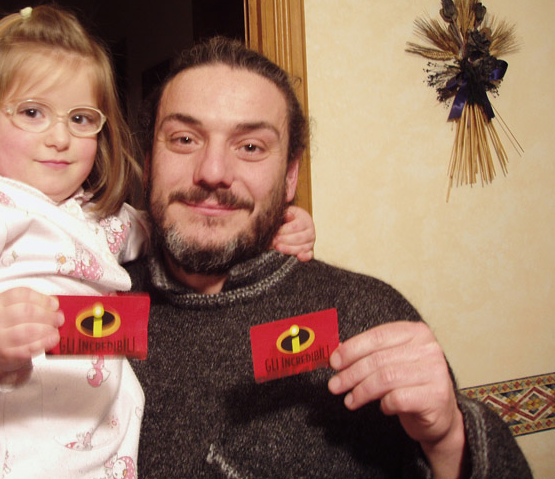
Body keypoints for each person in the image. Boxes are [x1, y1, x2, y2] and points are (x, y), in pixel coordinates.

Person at [0, 6, 315, 478]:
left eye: (81, 118)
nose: (60, 137)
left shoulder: (97, 218)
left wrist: (271, 224)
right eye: (32, 112)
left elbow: (171, 228)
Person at [127, 36, 532, 478]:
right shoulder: (87, 301)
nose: (212, 172)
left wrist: (449, 440)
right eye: (184, 139)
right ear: (149, 160)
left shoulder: (367, 314)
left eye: (251, 147)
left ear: (290, 176)